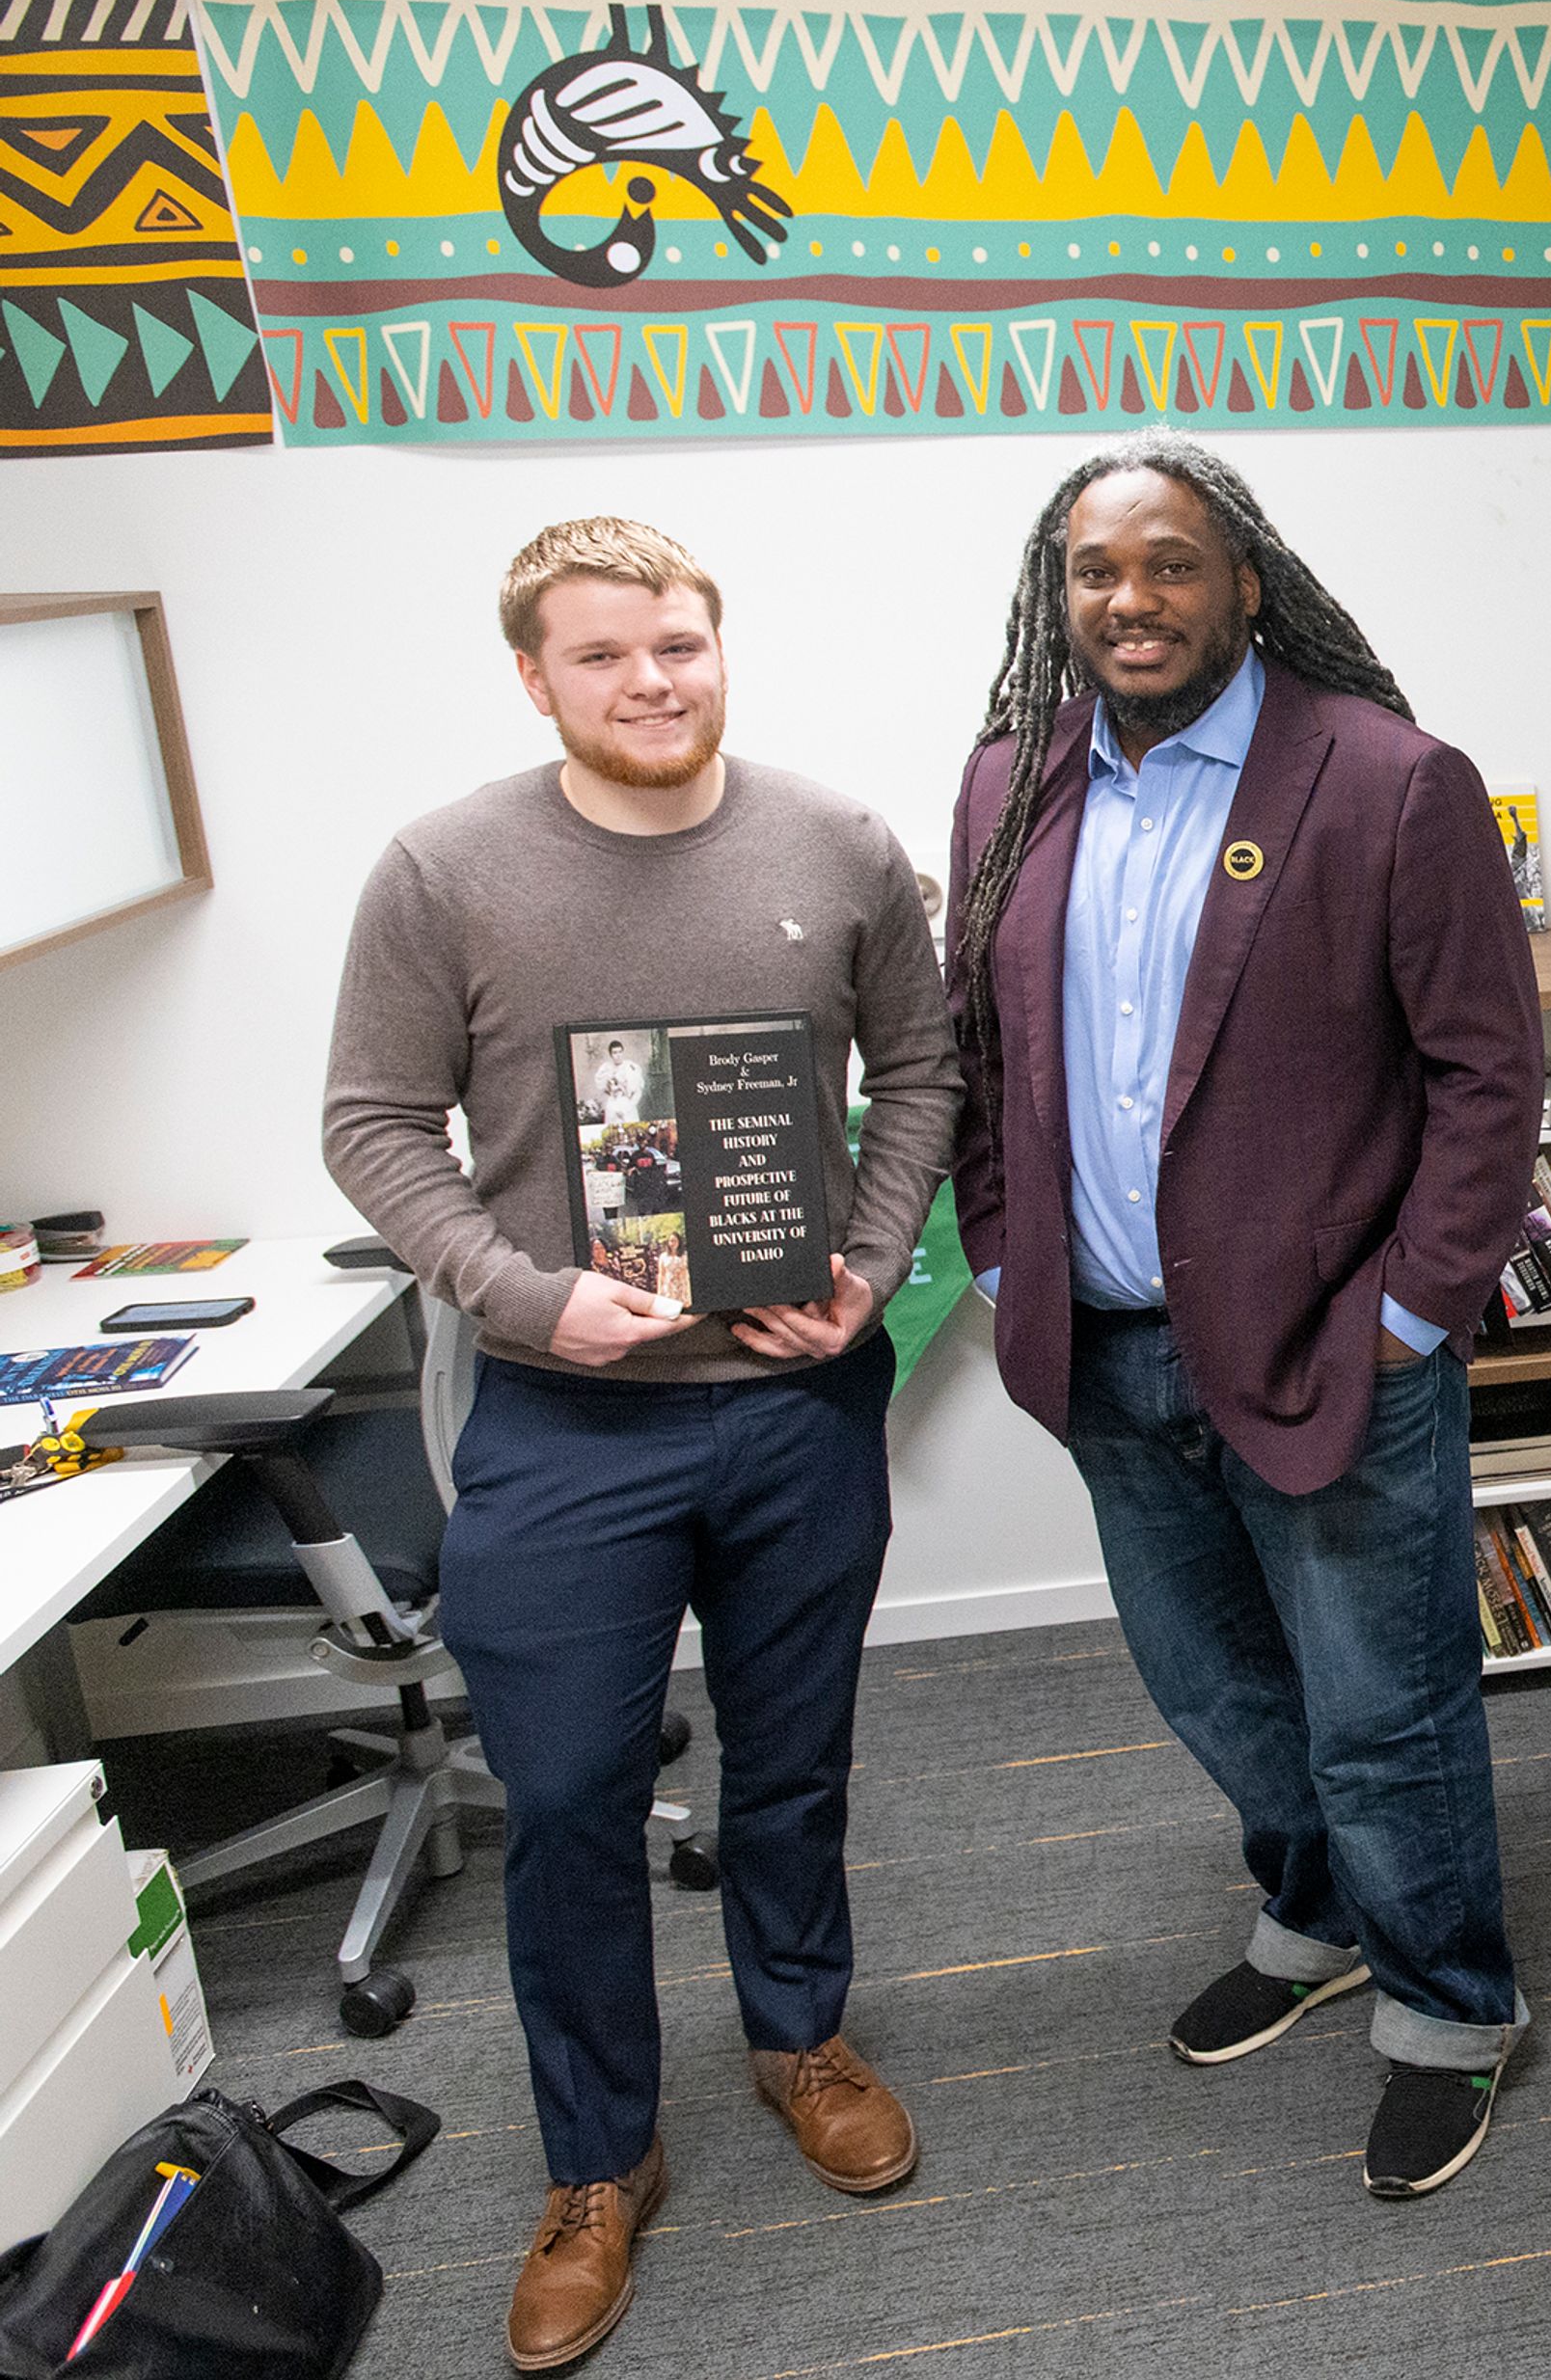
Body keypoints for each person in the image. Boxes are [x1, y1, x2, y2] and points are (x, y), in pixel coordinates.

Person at [322, 519, 958, 2371]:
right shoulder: (444, 870)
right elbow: (374, 1123)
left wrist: (865, 1261)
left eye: (678, 641)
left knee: (793, 1756)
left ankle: (799, 2034)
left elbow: (918, 1071)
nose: (652, 679)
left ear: (719, 645)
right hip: (565, 1421)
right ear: (537, 676)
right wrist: (517, 1293)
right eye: (604, 655)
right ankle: (599, 2159)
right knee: (575, 1800)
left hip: (792, 1405)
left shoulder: (838, 844)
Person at [946, 432, 1546, 2202]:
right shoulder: (1009, 783)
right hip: (1109, 1345)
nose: (1129, 599)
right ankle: (1317, 1913)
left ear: (1245, 584)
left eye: (1170, 564)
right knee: (1209, 1680)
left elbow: (1485, 1077)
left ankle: (1448, 2002)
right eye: (1094, 570)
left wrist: (1416, 1315)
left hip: (1334, 1345)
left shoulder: (1385, 778)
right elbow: (980, 1052)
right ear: (1060, 598)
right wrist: (999, 1255)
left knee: (1385, 1702)